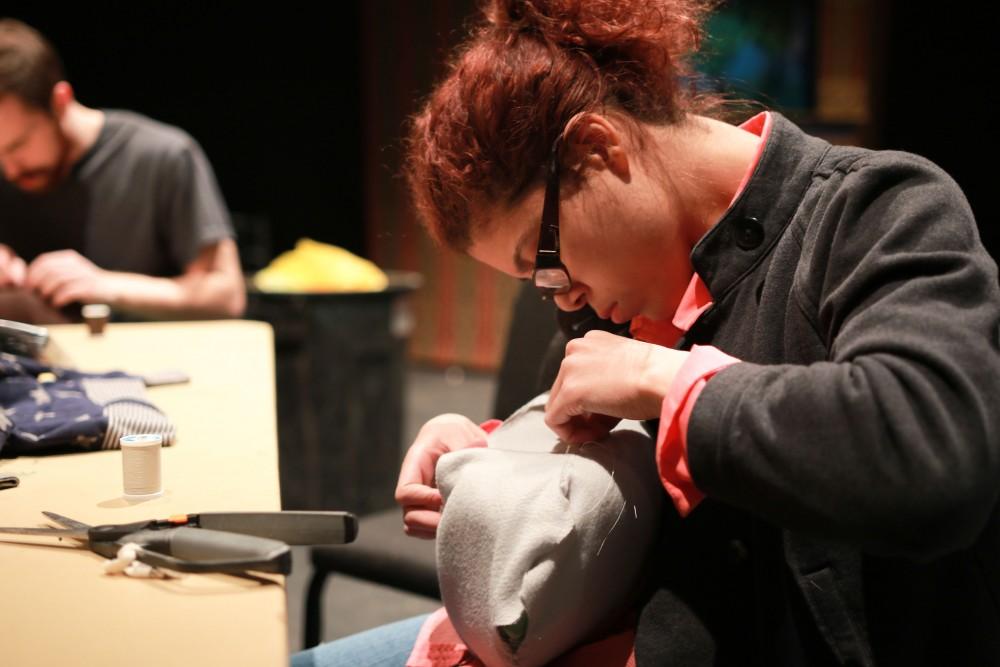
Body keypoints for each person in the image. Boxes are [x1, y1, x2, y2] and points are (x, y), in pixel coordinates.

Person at [295, 0, 1000, 665]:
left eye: (540, 262)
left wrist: (662, 381)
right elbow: (590, 462)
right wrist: (491, 453)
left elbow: (933, 453)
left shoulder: (879, 210)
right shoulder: (608, 293)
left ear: (599, 151)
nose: (560, 294)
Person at [0, 18, 244, 322]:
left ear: (60, 101)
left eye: (18, 145)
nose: (8, 170)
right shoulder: (7, 168)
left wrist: (105, 285)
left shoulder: (163, 157)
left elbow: (226, 294)